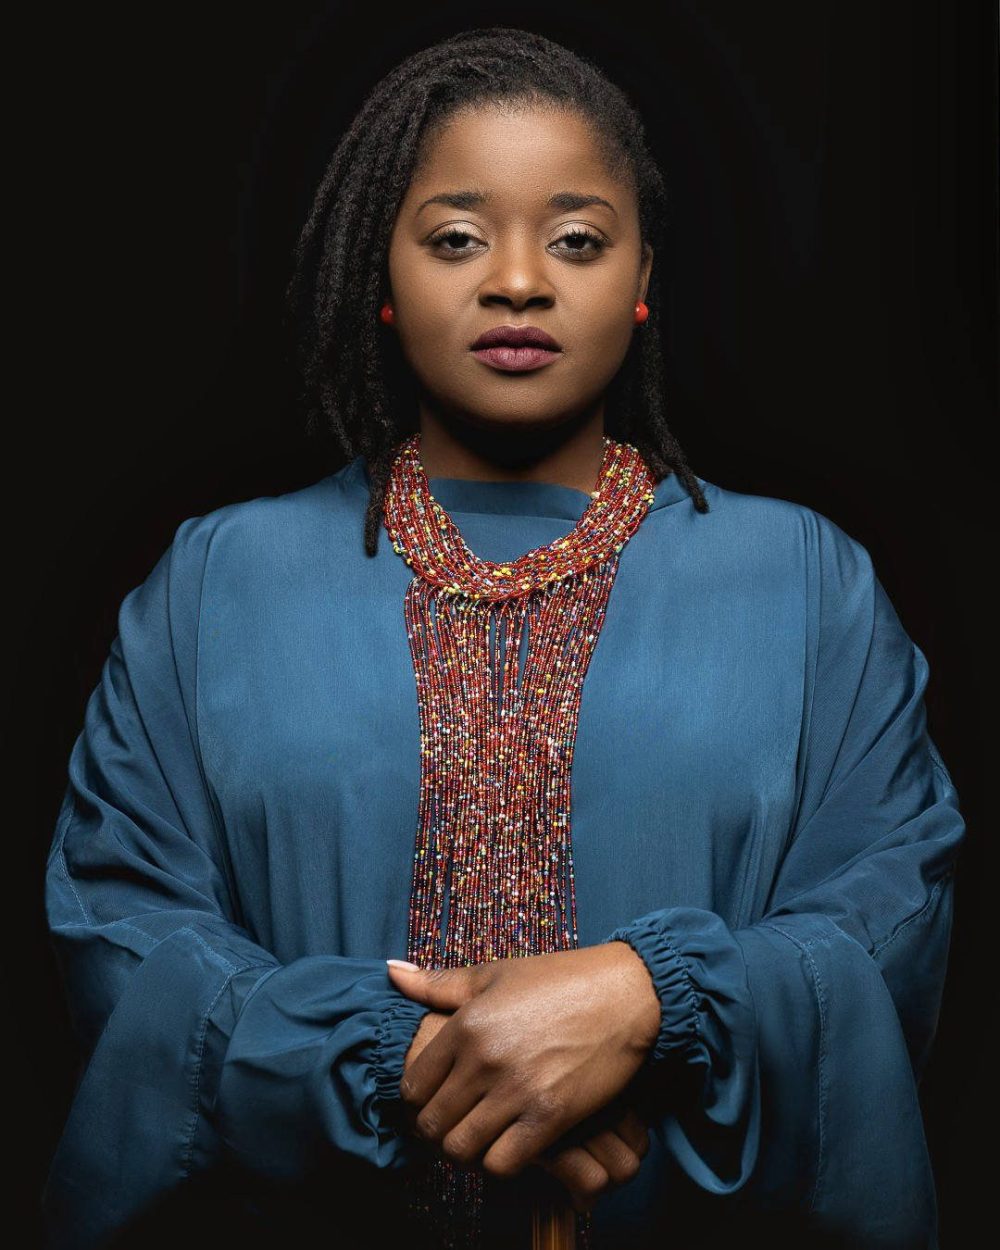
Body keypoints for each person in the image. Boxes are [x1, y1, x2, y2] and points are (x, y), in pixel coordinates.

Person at [42, 26, 966, 1250]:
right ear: (382, 277)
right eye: (456, 238)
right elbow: (121, 928)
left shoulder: (806, 580)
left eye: (576, 240)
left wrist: (650, 1000)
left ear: (641, 279)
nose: (519, 281)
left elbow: (889, 912)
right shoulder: (217, 579)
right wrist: (415, 1058)